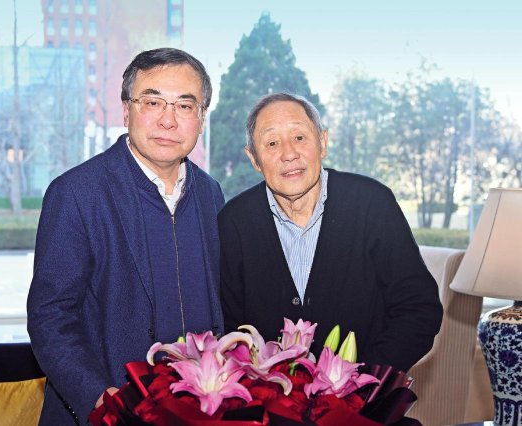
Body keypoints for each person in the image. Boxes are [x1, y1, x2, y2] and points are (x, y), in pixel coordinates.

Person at [27, 48, 225, 425]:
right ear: (125, 110)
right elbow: (50, 318)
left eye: (185, 106)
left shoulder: (210, 193)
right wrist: (100, 400)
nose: (168, 120)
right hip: (109, 412)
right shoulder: (77, 193)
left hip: (197, 411)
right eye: (152, 102)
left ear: (201, 118)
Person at [218, 92, 442, 373]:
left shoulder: (372, 204)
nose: (289, 154)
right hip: (268, 396)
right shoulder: (234, 222)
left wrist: (362, 381)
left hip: (367, 393)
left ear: (323, 142)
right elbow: (229, 328)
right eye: (272, 143)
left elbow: (418, 309)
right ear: (254, 158)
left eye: (299, 137)